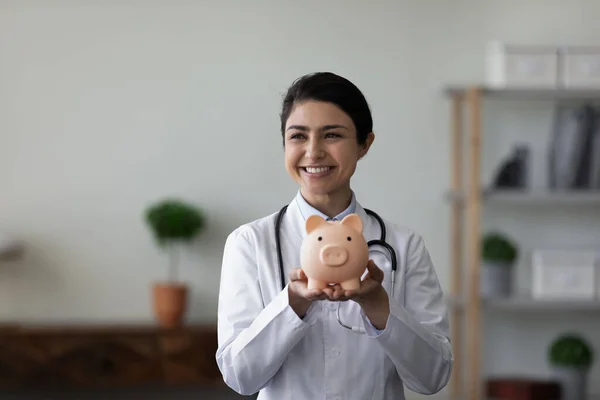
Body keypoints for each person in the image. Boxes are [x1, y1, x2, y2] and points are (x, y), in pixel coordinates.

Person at [215, 72, 453, 400]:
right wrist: (293, 303)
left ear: (364, 144)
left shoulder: (404, 246)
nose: (313, 152)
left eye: (332, 135)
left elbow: (433, 377)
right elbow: (239, 376)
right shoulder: (250, 243)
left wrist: (378, 304)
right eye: (298, 136)